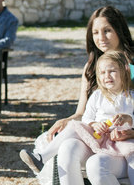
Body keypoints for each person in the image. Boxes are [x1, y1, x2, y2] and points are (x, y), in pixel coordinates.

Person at [34, 5, 134, 183]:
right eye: (95, 32)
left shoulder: (131, 66)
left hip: (124, 139)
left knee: (96, 162)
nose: (101, 38)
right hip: (98, 133)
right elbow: (82, 113)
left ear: (119, 30)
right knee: (67, 148)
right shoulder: (91, 68)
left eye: (107, 30)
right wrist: (67, 120)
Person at [21, 51, 134, 183]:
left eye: (112, 71)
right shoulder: (97, 96)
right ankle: (42, 158)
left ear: (124, 72)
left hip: (121, 141)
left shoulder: (130, 97)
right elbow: (86, 117)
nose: (107, 76)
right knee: (74, 126)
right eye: (102, 73)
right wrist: (94, 124)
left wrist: (128, 119)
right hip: (99, 136)